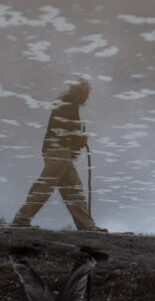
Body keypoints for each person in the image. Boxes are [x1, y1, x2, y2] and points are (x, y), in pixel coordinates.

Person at [12, 79, 104, 231]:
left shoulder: (66, 103)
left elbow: (64, 131)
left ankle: (87, 225)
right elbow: (65, 132)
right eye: (86, 93)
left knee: (72, 189)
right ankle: (20, 220)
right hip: (58, 151)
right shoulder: (68, 104)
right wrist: (80, 138)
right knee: (47, 186)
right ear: (79, 92)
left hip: (59, 151)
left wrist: (78, 138)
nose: (87, 97)